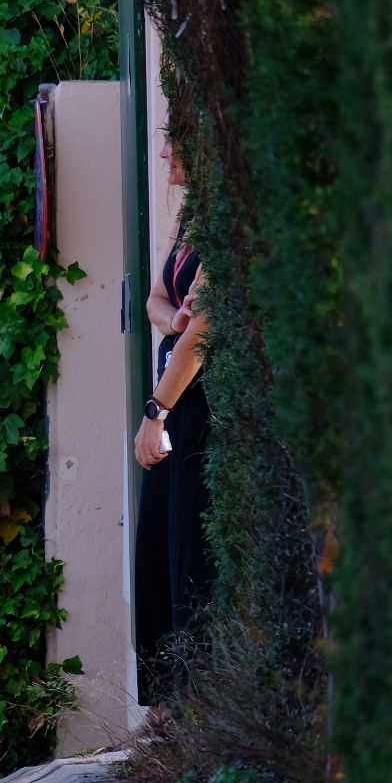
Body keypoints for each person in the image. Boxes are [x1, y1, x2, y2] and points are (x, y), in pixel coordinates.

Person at [132, 130, 216, 710]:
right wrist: (172, 321)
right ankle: (168, 705)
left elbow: (202, 337)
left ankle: (197, 703)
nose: (164, 154)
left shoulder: (227, 228)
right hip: (174, 402)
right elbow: (157, 299)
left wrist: (154, 412)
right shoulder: (191, 219)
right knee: (158, 542)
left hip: (196, 409)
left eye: (174, 143)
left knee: (191, 546)